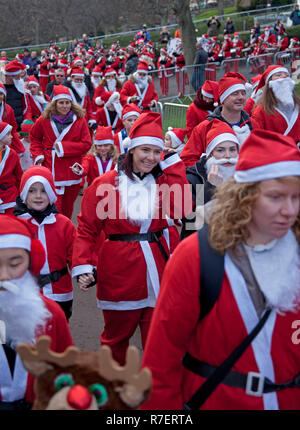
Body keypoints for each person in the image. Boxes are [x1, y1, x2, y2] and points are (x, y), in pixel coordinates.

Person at [141, 129, 300, 410]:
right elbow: (160, 362)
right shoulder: (196, 257)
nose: (289, 210)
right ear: (244, 196)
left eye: (296, 198)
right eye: (275, 197)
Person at [71, 112, 192, 366]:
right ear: (132, 150)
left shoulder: (165, 179)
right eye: (145, 150)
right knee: (116, 340)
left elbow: (186, 213)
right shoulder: (105, 183)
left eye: (157, 152)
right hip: (120, 272)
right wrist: (83, 265)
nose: (151, 157)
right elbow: (86, 229)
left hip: (158, 270)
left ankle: (155, 394)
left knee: (157, 341)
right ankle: (112, 392)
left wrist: (174, 164)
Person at [0, 214, 73, 410]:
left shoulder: (50, 314)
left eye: (15, 264)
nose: (4, 276)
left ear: (32, 262)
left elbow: (66, 368)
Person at [13, 166, 76, 321]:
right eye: (32, 191)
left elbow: (76, 254)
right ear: (24, 194)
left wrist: (84, 271)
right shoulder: (15, 225)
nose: (38, 196)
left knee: (57, 336)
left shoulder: (64, 224)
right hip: (23, 293)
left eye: (44, 190)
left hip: (59, 293)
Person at [29, 85, 92, 219]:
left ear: (71, 103)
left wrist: (63, 148)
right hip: (50, 168)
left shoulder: (80, 120)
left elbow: (86, 144)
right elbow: (34, 137)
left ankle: (66, 234)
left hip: (72, 169)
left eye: (67, 102)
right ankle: (54, 234)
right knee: (54, 209)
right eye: (61, 103)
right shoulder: (44, 119)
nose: (64, 106)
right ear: (54, 104)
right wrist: (38, 155)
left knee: (68, 210)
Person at [180, 120, 240, 239]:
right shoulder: (192, 178)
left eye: (232, 150)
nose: (227, 156)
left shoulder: (243, 177)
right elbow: (192, 223)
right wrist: (211, 187)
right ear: (210, 155)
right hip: (202, 243)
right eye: (220, 150)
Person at [181, 72, 252, 167]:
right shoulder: (204, 128)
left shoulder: (253, 124)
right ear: (223, 99)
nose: (241, 97)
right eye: (235, 94)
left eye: (243, 93)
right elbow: (187, 159)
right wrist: (209, 168)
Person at [251, 65, 300, 146]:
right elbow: (258, 140)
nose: (284, 76)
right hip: (276, 156)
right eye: (278, 75)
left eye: (287, 75)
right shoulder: (260, 111)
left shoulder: (298, 105)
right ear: (269, 83)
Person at [0, 122, 23, 214]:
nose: (12, 136)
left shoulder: (12, 153)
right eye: (8, 134)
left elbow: (19, 176)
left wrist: (21, 194)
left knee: (10, 223)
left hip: (10, 196)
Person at [3, 60, 32, 130]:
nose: (19, 78)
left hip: (20, 127)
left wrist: (26, 121)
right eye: (17, 76)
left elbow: (27, 108)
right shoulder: (2, 90)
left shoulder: (20, 87)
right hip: (5, 129)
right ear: (9, 76)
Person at [0, 82, 25, 155]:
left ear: (4, 96)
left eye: (1, 94)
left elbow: (13, 129)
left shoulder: (8, 109)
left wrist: (18, 147)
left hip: (6, 144)